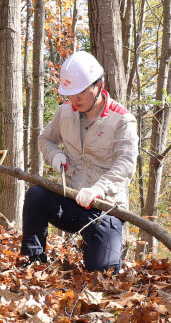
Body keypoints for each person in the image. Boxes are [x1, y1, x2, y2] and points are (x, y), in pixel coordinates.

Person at [20, 51, 138, 272]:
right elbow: (45, 140)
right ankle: (33, 262)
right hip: (70, 199)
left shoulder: (122, 119)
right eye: (70, 94)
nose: (75, 99)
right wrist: (54, 155)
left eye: (81, 92)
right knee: (36, 195)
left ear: (98, 85)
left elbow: (125, 165)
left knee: (102, 272)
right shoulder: (64, 113)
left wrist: (98, 190)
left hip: (105, 209)